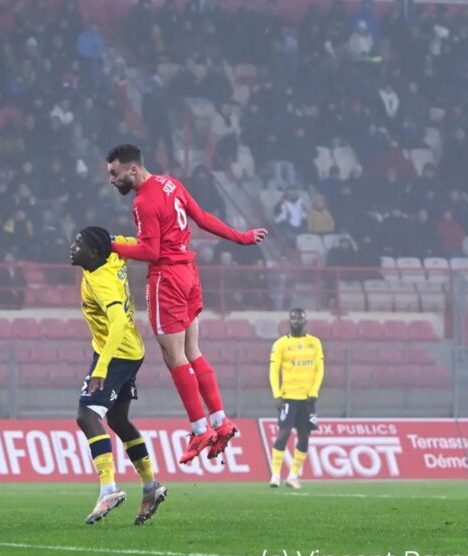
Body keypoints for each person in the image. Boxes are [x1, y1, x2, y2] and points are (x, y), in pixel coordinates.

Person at [105, 143, 268, 464]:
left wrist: (111, 247)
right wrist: (242, 237)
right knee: (193, 351)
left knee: (173, 355)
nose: (112, 179)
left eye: (115, 173)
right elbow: (202, 218)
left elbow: (150, 252)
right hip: (190, 275)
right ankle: (221, 422)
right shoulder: (171, 184)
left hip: (166, 278)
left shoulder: (143, 202)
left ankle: (199, 429)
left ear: (132, 169)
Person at [70, 226, 167, 526]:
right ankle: (150, 485)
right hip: (130, 351)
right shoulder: (113, 255)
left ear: (94, 253)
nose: (73, 247)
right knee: (118, 421)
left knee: (86, 416)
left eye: (79, 244)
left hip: (116, 353)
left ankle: (108, 488)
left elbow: (118, 324)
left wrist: (101, 368)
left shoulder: (103, 283)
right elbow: (135, 243)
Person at [268, 308, 324, 490]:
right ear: (289, 321)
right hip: (288, 397)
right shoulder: (281, 344)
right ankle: (275, 475)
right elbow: (273, 371)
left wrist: (314, 392)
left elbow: (319, 369)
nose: (297, 321)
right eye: (293, 318)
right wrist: (277, 394)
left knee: (305, 436)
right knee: (284, 433)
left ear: (305, 321)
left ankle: (293, 476)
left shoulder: (315, 343)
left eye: (300, 318)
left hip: (307, 399)